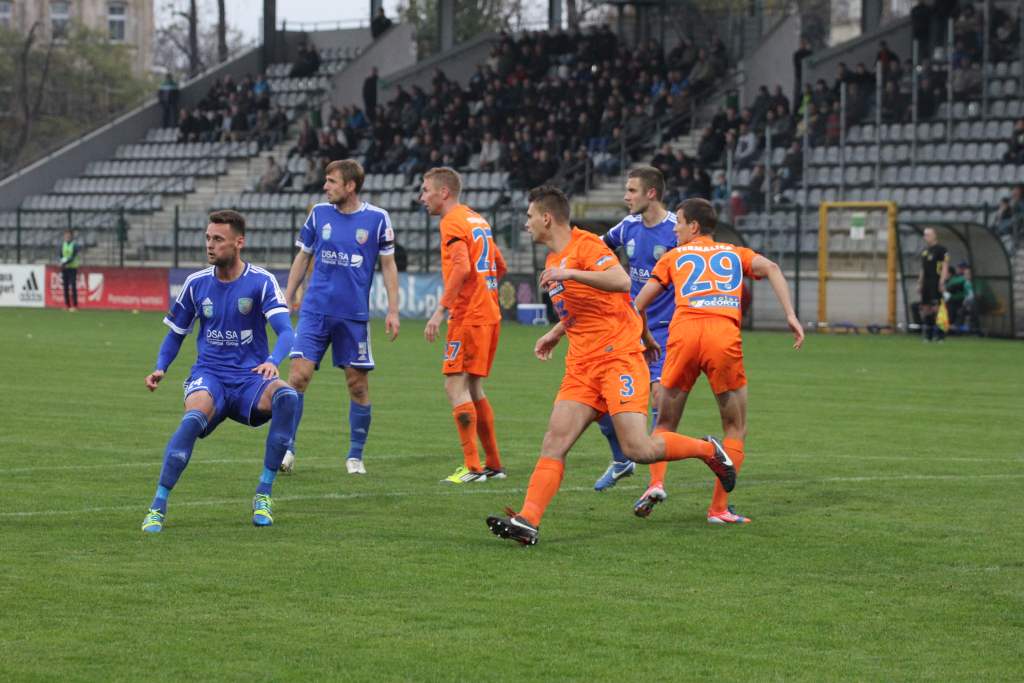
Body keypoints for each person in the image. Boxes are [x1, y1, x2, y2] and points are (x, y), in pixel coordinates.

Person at [485, 186, 736, 546]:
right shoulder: (554, 261)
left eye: (528, 217)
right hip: (582, 365)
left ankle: (709, 450)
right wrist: (557, 333)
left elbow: (620, 283)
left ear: (546, 218)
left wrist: (572, 275)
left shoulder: (585, 246)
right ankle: (528, 521)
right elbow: (596, 308)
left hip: (618, 359)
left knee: (639, 449)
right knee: (554, 443)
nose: (525, 224)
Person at [630, 198, 804, 524]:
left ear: (693, 226)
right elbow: (773, 269)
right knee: (735, 427)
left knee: (665, 422)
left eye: (678, 222)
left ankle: (655, 483)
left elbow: (637, 304)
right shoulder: (735, 253)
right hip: (722, 335)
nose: (675, 229)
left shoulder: (672, 257)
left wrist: (648, 338)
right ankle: (718, 509)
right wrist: (791, 316)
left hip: (683, 336)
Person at [140, 210, 297, 532]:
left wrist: (273, 360)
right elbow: (175, 333)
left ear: (239, 243)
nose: (210, 245)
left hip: (250, 378)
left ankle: (264, 493)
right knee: (192, 418)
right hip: (209, 374)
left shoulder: (261, 281)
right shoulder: (196, 284)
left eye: (218, 239)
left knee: (288, 396)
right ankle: (157, 505)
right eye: (208, 238)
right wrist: (160, 368)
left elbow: (286, 332)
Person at [281, 159, 400, 475]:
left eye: (331, 181)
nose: (325, 186)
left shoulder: (377, 219)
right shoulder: (318, 214)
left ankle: (355, 456)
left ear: (350, 186)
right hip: (314, 311)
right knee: (297, 377)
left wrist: (392, 310)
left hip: (353, 317)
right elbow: (303, 256)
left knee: (357, 385)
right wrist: (288, 293)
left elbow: (388, 266)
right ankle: (286, 449)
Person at [589, 167, 678, 498]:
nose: (625, 196)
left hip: (666, 330)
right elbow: (597, 250)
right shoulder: (626, 227)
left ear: (651, 193)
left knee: (659, 398)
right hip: (627, 327)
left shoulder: (675, 231)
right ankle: (621, 459)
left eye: (631, 190)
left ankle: (655, 483)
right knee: (600, 399)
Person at [420, 167, 507, 483]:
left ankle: (472, 468)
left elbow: (461, 266)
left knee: (454, 386)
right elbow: (500, 265)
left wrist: (440, 311)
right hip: (490, 313)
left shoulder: (452, 221)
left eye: (426, 189)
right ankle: (494, 464)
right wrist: (486, 292)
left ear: (444, 192)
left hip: (468, 316)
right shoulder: (477, 219)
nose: (422, 197)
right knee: (473, 387)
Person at [918, 226, 950, 342]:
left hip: (935, 281)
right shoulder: (925, 251)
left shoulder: (942, 250)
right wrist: (920, 283)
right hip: (926, 282)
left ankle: (940, 334)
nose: (925, 237)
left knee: (937, 308)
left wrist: (942, 281)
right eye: (925, 235)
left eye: (928, 235)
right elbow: (922, 268)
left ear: (934, 235)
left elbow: (945, 266)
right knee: (926, 308)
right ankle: (928, 334)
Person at [58, 229, 80, 311]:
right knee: (65, 287)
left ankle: (75, 305)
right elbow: (60, 255)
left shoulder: (74, 245)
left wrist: (65, 262)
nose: (67, 237)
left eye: (69, 235)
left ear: (71, 236)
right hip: (64, 269)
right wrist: (62, 262)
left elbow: (73, 257)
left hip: (72, 268)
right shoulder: (62, 245)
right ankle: (67, 305)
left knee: (73, 286)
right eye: (66, 235)